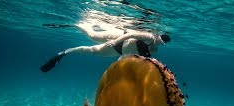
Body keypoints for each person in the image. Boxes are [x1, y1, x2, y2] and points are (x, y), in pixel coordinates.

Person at [40, 22, 171, 72]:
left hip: (118, 50)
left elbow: (134, 57)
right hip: (120, 36)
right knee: (93, 36)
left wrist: (122, 62)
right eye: (161, 38)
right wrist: (115, 41)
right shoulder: (149, 37)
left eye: (163, 42)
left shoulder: (154, 49)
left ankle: (64, 53)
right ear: (158, 35)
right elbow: (131, 33)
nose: (160, 41)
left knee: (93, 51)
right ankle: (77, 25)